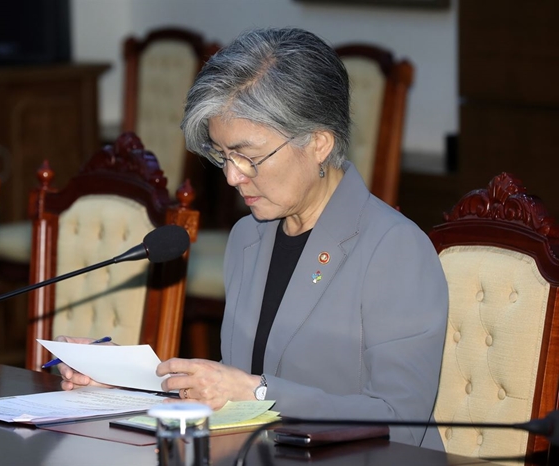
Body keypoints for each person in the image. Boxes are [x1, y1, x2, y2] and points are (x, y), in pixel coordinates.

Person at [57, 27, 448, 449]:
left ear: (318, 142)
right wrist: (118, 383)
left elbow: (402, 420)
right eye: (223, 155)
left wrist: (258, 392)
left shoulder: (394, 249)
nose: (231, 176)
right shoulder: (248, 237)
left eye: (249, 156)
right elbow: (231, 390)